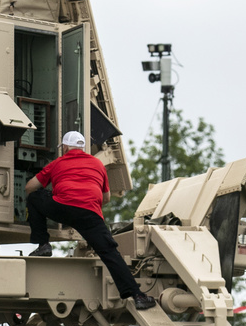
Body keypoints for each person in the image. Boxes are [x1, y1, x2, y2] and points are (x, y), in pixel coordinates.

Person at [25, 131, 157, 310]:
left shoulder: (57, 163)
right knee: (110, 254)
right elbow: (107, 197)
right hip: (90, 214)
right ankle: (137, 296)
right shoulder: (97, 164)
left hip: (62, 207)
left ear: (64, 147)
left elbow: (30, 187)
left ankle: (43, 245)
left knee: (35, 198)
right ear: (83, 147)